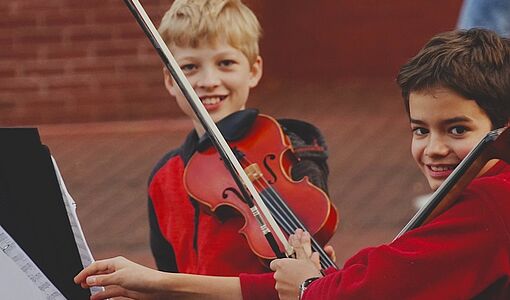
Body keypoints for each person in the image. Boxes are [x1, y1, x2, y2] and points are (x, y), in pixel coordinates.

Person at [74, 0, 335, 299]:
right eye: (190, 67)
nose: (209, 81)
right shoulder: (164, 176)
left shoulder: (290, 152)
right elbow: (169, 276)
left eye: (225, 63)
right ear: (171, 80)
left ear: (253, 70)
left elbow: (305, 281)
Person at [269, 28, 510, 299]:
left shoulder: (489, 202)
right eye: (420, 130)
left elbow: (373, 290)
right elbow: (385, 269)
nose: (434, 149)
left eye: (457, 130)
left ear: (503, 130)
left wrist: (307, 289)